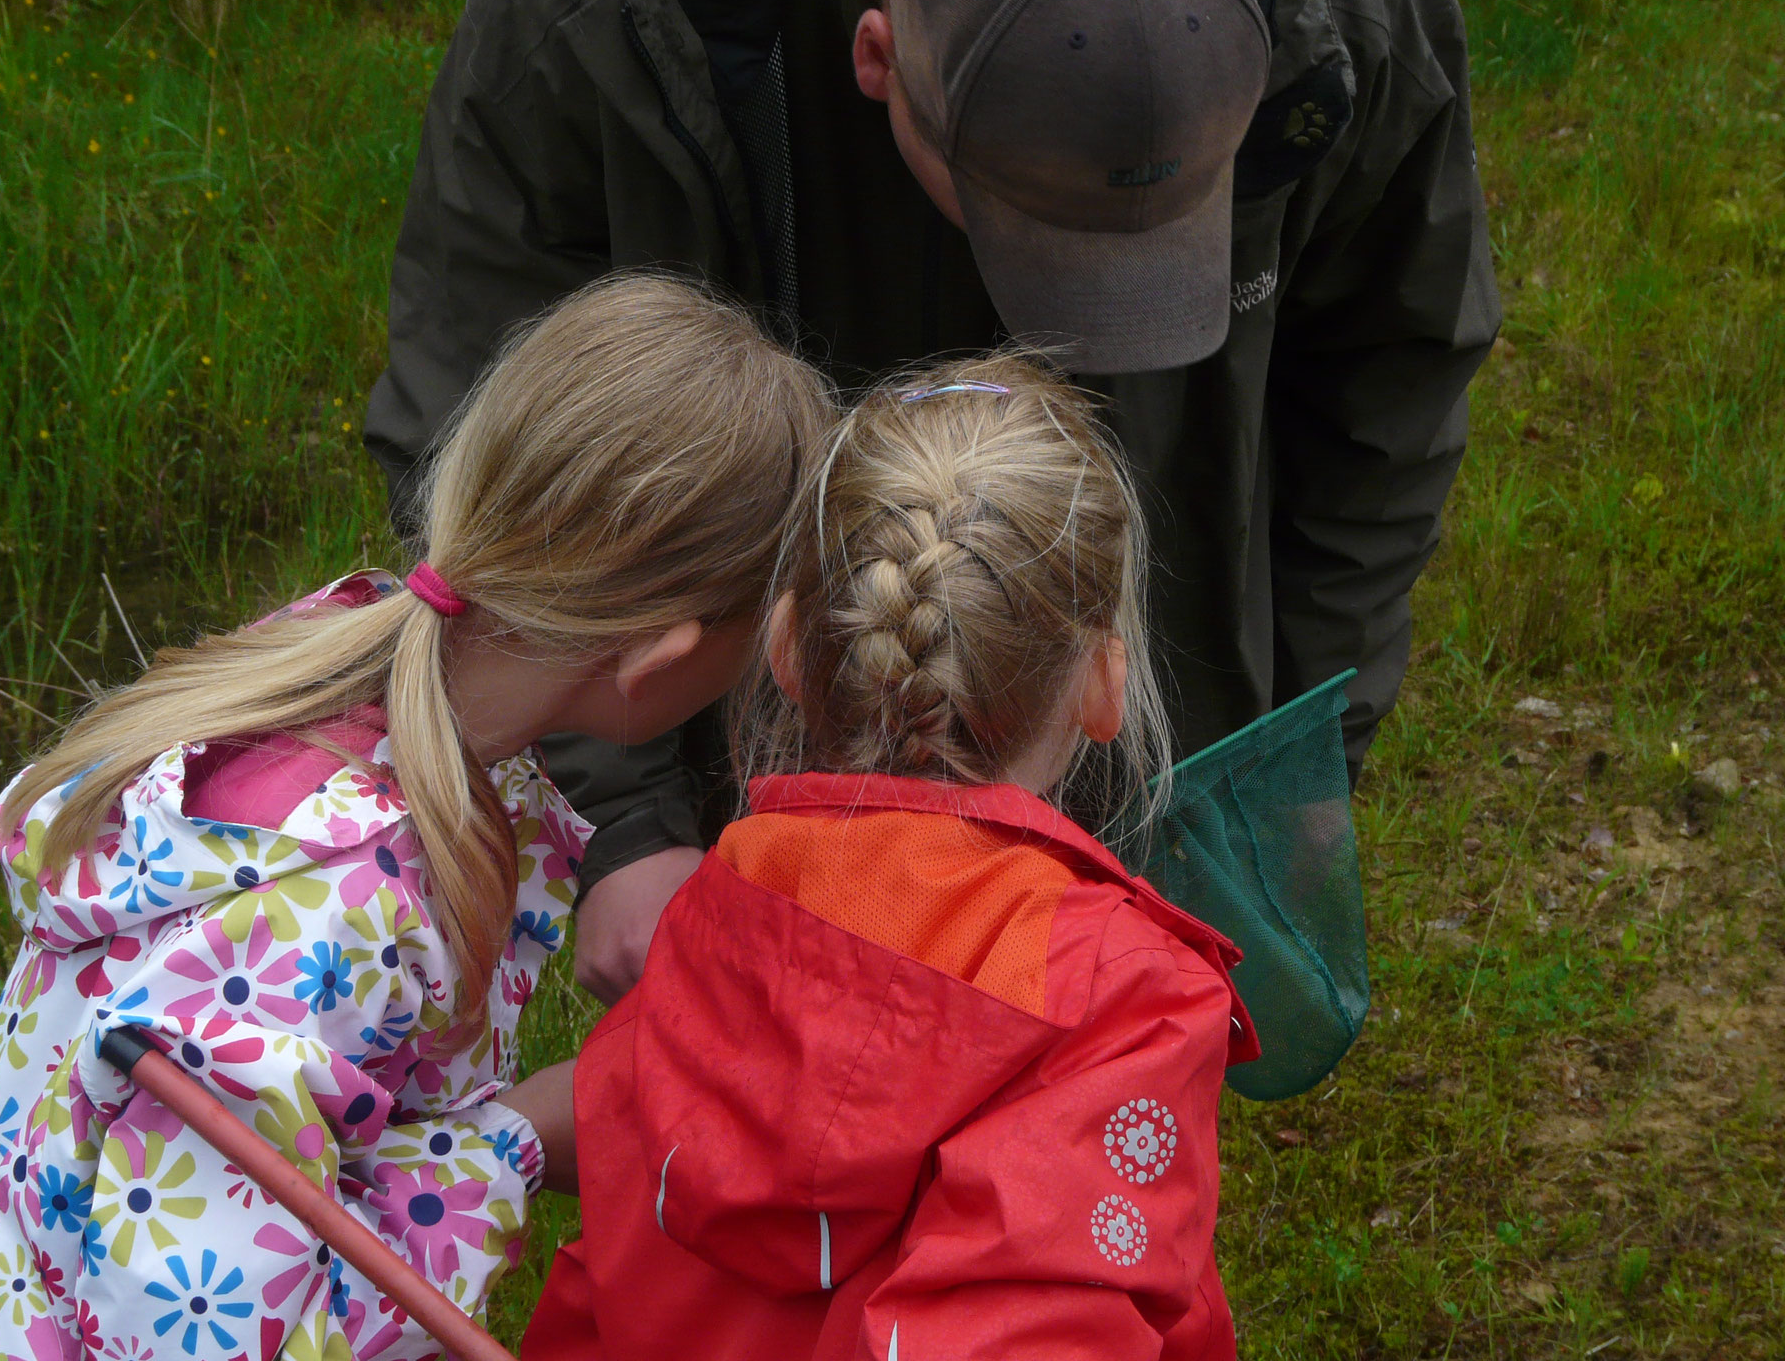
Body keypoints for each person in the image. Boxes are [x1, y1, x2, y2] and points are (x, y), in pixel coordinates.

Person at [366, 0, 1500, 1002]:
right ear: (874, 56)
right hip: (753, 731)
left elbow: (1387, 395)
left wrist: (1299, 759)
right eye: (1028, 233)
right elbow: (481, 414)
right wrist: (623, 819)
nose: (1084, 325)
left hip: (1129, 738)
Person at [0, 276, 833, 1361]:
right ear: (665, 657)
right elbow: (204, 1336)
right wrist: (512, 1148)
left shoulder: (347, 663)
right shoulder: (329, 914)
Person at [519, 354, 1258, 1360]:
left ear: (785, 649)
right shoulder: (1115, 993)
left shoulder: (722, 899)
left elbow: (622, 1141)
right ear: (1103, 685)